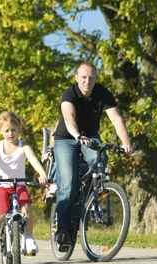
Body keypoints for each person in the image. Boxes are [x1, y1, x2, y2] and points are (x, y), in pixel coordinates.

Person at [53, 62, 134, 250]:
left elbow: (116, 119)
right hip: (67, 138)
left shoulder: (103, 93)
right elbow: (69, 118)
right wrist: (77, 136)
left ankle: (90, 199)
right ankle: (63, 232)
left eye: (91, 77)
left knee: (100, 160)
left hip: (90, 136)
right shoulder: (69, 94)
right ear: (76, 78)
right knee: (67, 183)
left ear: (96, 79)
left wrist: (126, 143)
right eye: (83, 77)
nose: (87, 81)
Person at [0, 111, 47, 255]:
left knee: (26, 209)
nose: (11, 133)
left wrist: (42, 174)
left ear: (18, 130)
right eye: (7, 130)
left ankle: (28, 237)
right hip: (1, 185)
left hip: (19, 185)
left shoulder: (24, 146)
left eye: (14, 130)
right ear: (1, 131)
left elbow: (33, 159)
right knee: (2, 214)